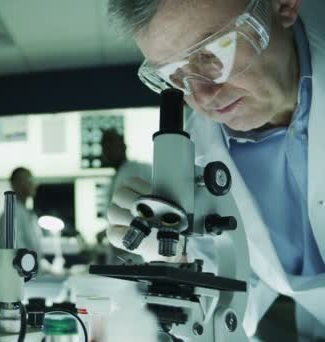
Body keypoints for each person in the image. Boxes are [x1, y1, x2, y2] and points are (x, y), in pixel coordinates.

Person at [106, 0, 325, 339]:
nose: (202, 95)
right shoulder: (200, 152)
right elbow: (228, 302)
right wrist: (174, 261)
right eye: (174, 75)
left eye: (213, 52)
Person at [98, 129, 151, 264]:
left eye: (111, 144)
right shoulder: (117, 175)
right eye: (104, 146)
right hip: (121, 254)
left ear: (123, 146)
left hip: (135, 256)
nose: (106, 150)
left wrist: (105, 233)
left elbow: (134, 219)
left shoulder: (134, 170)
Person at [0, 167, 43, 259]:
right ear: (15, 184)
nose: (33, 183)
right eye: (28, 179)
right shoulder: (11, 214)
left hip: (30, 269)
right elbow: (14, 252)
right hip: (18, 271)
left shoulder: (29, 214)